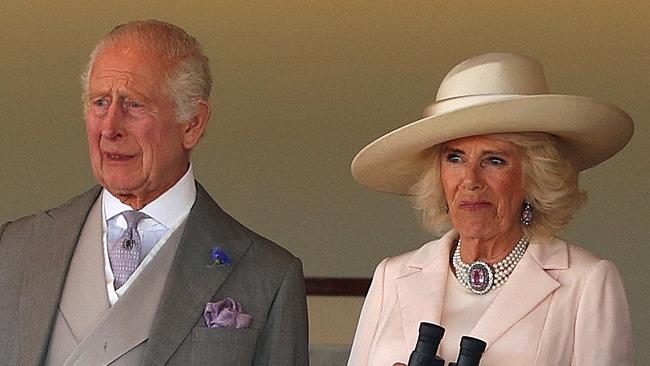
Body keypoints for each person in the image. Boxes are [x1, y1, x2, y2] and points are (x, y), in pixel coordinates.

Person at [0, 20, 308, 365]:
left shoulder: (267, 277)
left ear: (192, 123)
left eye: (133, 104)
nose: (109, 127)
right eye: (100, 102)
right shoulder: (15, 249)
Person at [347, 53, 634, 365]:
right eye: (454, 158)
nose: (470, 180)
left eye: (494, 160)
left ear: (534, 175)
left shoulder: (586, 282)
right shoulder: (393, 275)